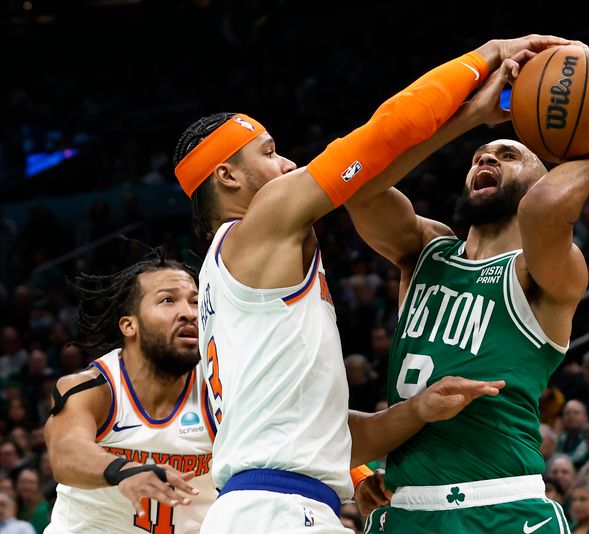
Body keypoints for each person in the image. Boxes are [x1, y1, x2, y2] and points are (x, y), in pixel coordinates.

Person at [175, 35, 565, 534]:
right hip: (278, 513)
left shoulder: (226, 282)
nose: (289, 165)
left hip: (266, 506)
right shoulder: (264, 224)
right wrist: (486, 58)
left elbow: (325, 431)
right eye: (270, 153)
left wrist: (415, 413)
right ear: (227, 176)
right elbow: (382, 136)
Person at [342, 68, 589, 529]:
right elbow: (357, 182)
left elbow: (543, 207)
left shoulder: (542, 272)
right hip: (406, 508)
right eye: (480, 155)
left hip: (502, 507)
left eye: (508, 155)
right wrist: (466, 117)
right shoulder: (426, 249)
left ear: (541, 178)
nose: (488, 159)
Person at [44, 252, 217, 533]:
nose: (189, 312)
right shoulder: (94, 388)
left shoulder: (219, 387)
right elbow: (66, 453)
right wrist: (124, 470)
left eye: (196, 301)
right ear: (129, 325)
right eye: (168, 300)